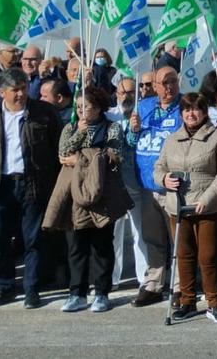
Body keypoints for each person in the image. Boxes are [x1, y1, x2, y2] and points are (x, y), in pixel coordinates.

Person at [0, 68, 63, 308]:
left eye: (24, 87)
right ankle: (4, 287)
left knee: (33, 239)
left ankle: (31, 289)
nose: (21, 94)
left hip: (33, 184)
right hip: (0, 185)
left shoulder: (44, 113)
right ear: (2, 92)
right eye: (15, 90)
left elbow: (58, 148)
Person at [154, 91, 217, 324]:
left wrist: (208, 198)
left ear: (204, 112)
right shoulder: (171, 139)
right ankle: (187, 301)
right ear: (181, 114)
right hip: (178, 205)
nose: (191, 113)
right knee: (183, 255)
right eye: (186, 109)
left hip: (206, 205)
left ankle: (214, 302)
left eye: (196, 109)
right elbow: (159, 167)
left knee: (207, 255)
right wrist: (164, 179)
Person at [47, 86, 127, 313]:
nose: (82, 111)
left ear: (99, 107)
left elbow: (114, 156)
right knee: (76, 245)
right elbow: (63, 154)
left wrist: (81, 159)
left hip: (102, 192)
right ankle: (77, 292)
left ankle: (102, 291)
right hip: (74, 194)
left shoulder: (112, 128)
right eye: (79, 107)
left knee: (102, 245)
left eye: (87, 107)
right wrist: (82, 136)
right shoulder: (70, 127)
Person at [128, 66, 182, 308]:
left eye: (173, 81)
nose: (169, 87)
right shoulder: (144, 108)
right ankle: (154, 282)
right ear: (155, 87)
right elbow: (130, 142)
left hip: (173, 186)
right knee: (153, 238)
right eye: (164, 83)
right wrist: (134, 130)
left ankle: (181, 284)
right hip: (148, 184)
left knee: (178, 238)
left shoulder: (185, 107)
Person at [108, 76, 146, 290]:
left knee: (139, 231)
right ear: (116, 94)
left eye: (131, 92)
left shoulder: (144, 114)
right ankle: (112, 278)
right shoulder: (108, 115)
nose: (126, 96)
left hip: (136, 181)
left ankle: (143, 277)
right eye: (122, 92)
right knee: (114, 232)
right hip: (113, 183)